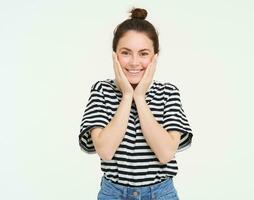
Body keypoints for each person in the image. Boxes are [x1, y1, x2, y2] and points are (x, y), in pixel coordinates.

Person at [78, 7, 193, 200]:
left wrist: (139, 97)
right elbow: (105, 151)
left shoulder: (168, 92)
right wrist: (126, 95)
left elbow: (165, 153)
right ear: (114, 55)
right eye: (126, 53)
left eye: (143, 53)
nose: (134, 62)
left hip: (160, 194)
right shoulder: (101, 90)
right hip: (113, 194)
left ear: (155, 57)